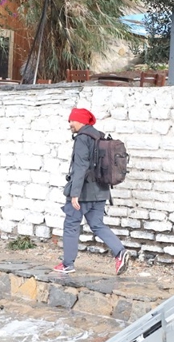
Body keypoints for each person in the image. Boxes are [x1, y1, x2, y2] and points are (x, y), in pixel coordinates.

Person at [55, 108, 130, 276]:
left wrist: (75, 194)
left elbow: (80, 167)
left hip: (84, 192)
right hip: (101, 190)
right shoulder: (100, 136)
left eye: (72, 120)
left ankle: (67, 264)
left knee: (71, 225)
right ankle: (120, 252)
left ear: (81, 121)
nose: (70, 124)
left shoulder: (82, 139)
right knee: (97, 224)